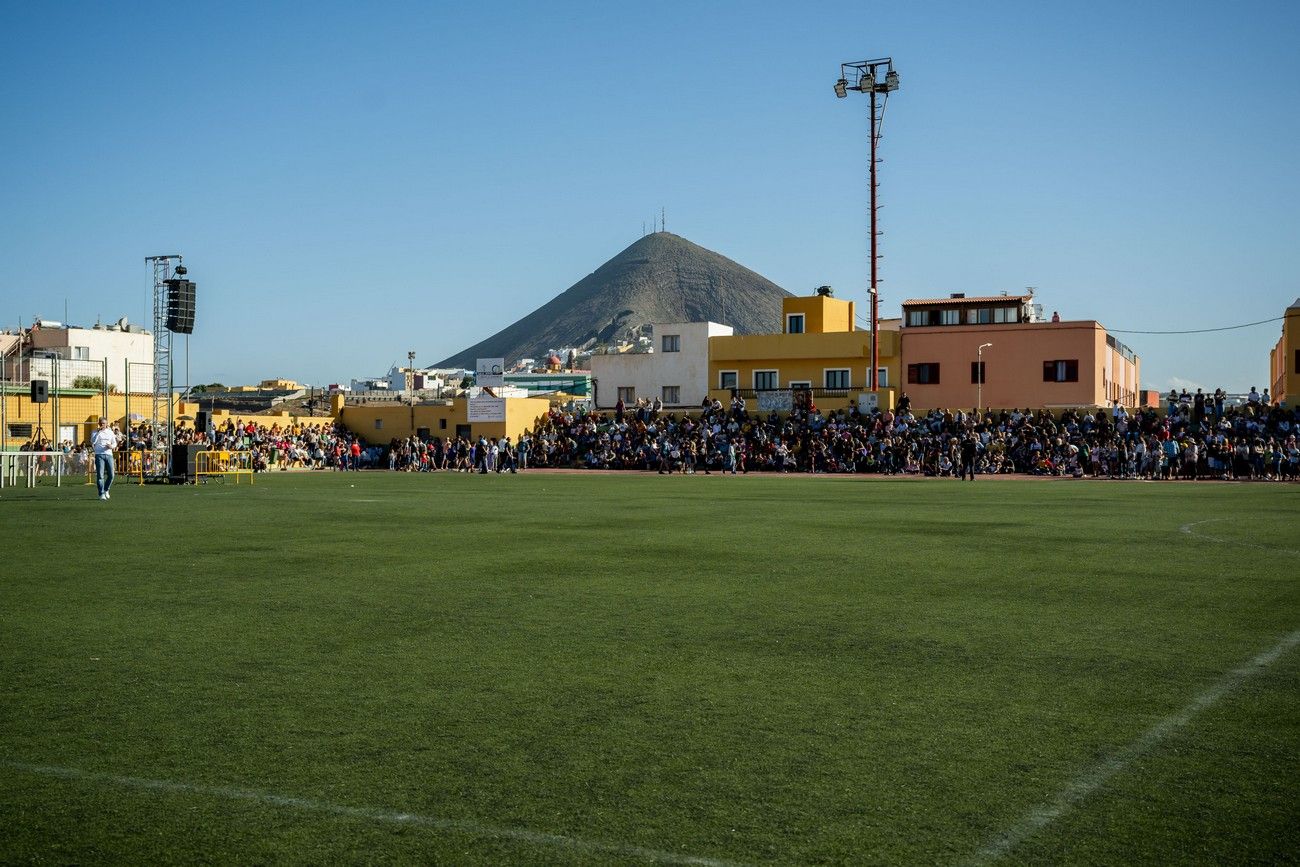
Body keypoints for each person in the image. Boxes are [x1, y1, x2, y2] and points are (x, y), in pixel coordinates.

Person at [92, 417, 119, 500]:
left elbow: (114, 443)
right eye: (100, 423)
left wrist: (111, 446)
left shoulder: (110, 432)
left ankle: (106, 489)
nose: (102, 425)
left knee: (111, 475)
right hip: (99, 454)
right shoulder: (95, 432)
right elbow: (93, 441)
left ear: (107, 424)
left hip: (109, 454)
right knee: (100, 475)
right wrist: (98, 432)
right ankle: (101, 494)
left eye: (103, 423)